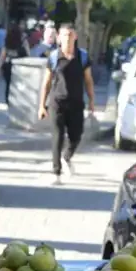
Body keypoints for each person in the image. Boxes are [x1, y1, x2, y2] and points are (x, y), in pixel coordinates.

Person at [38, 23, 96, 180]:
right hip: (57, 103)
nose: (68, 38)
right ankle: (56, 172)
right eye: (64, 35)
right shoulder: (54, 57)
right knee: (57, 136)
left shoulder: (82, 57)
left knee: (76, 135)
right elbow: (47, 82)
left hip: (76, 103)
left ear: (75, 36)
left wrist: (91, 101)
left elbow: (89, 81)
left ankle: (67, 157)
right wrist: (41, 106)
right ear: (58, 38)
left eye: (70, 34)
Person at [0, 23, 28, 102]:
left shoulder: (7, 40)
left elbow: (2, 55)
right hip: (19, 66)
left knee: (8, 84)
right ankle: (15, 99)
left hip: (8, 65)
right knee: (17, 84)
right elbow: (28, 53)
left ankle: (8, 99)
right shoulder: (22, 40)